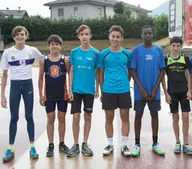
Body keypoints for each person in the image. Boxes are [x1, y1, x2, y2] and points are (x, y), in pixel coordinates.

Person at [0, 26, 43, 162]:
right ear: (14, 37)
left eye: (22, 34)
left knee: (29, 116)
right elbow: (5, 75)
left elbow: (44, 59)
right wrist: (2, 95)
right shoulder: (7, 53)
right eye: (17, 35)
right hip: (15, 86)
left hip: (28, 84)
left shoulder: (32, 50)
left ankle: (32, 147)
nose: (20, 36)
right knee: (14, 117)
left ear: (26, 36)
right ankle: (11, 148)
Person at [130, 25, 165, 157]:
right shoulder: (136, 51)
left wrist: (156, 88)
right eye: (145, 34)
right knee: (138, 115)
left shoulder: (158, 50)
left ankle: (155, 143)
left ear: (153, 35)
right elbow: (132, 71)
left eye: (150, 33)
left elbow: (162, 70)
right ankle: (137, 144)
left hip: (154, 91)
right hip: (140, 91)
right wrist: (141, 89)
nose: (148, 36)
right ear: (142, 35)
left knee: (154, 114)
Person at [99, 25, 132, 157]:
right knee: (109, 117)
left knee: (125, 116)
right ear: (109, 37)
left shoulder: (127, 54)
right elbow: (100, 73)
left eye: (118, 37)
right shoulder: (103, 54)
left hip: (123, 89)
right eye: (113, 36)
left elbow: (130, 71)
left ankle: (124, 145)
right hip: (108, 90)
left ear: (121, 38)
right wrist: (102, 90)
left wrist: (125, 82)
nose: (115, 39)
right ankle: (110, 144)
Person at [67, 25, 99, 157]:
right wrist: (70, 90)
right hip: (76, 90)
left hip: (89, 91)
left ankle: (85, 143)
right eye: (82, 34)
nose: (84, 36)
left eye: (87, 34)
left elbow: (97, 71)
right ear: (78, 36)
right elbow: (71, 71)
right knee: (75, 117)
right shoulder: (74, 52)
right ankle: (75, 144)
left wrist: (97, 89)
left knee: (87, 116)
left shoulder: (96, 53)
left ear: (90, 36)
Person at [38, 35, 70, 157]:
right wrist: (40, 94)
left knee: (62, 118)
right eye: (52, 44)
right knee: (50, 119)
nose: (54, 46)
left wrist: (70, 92)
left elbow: (70, 76)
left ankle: (62, 143)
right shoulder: (44, 60)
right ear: (48, 46)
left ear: (60, 46)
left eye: (57, 44)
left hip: (62, 95)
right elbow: (40, 78)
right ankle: (50, 144)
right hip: (49, 95)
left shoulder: (65, 60)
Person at [161, 36, 192, 154]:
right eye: (173, 45)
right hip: (172, 93)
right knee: (175, 118)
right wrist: (165, 93)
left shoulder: (185, 59)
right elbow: (163, 78)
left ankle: (186, 143)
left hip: (184, 92)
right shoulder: (166, 60)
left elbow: (189, 75)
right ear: (170, 46)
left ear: (181, 46)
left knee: (185, 117)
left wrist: (190, 91)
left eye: (178, 45)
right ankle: (177, 142)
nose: (176, 48)